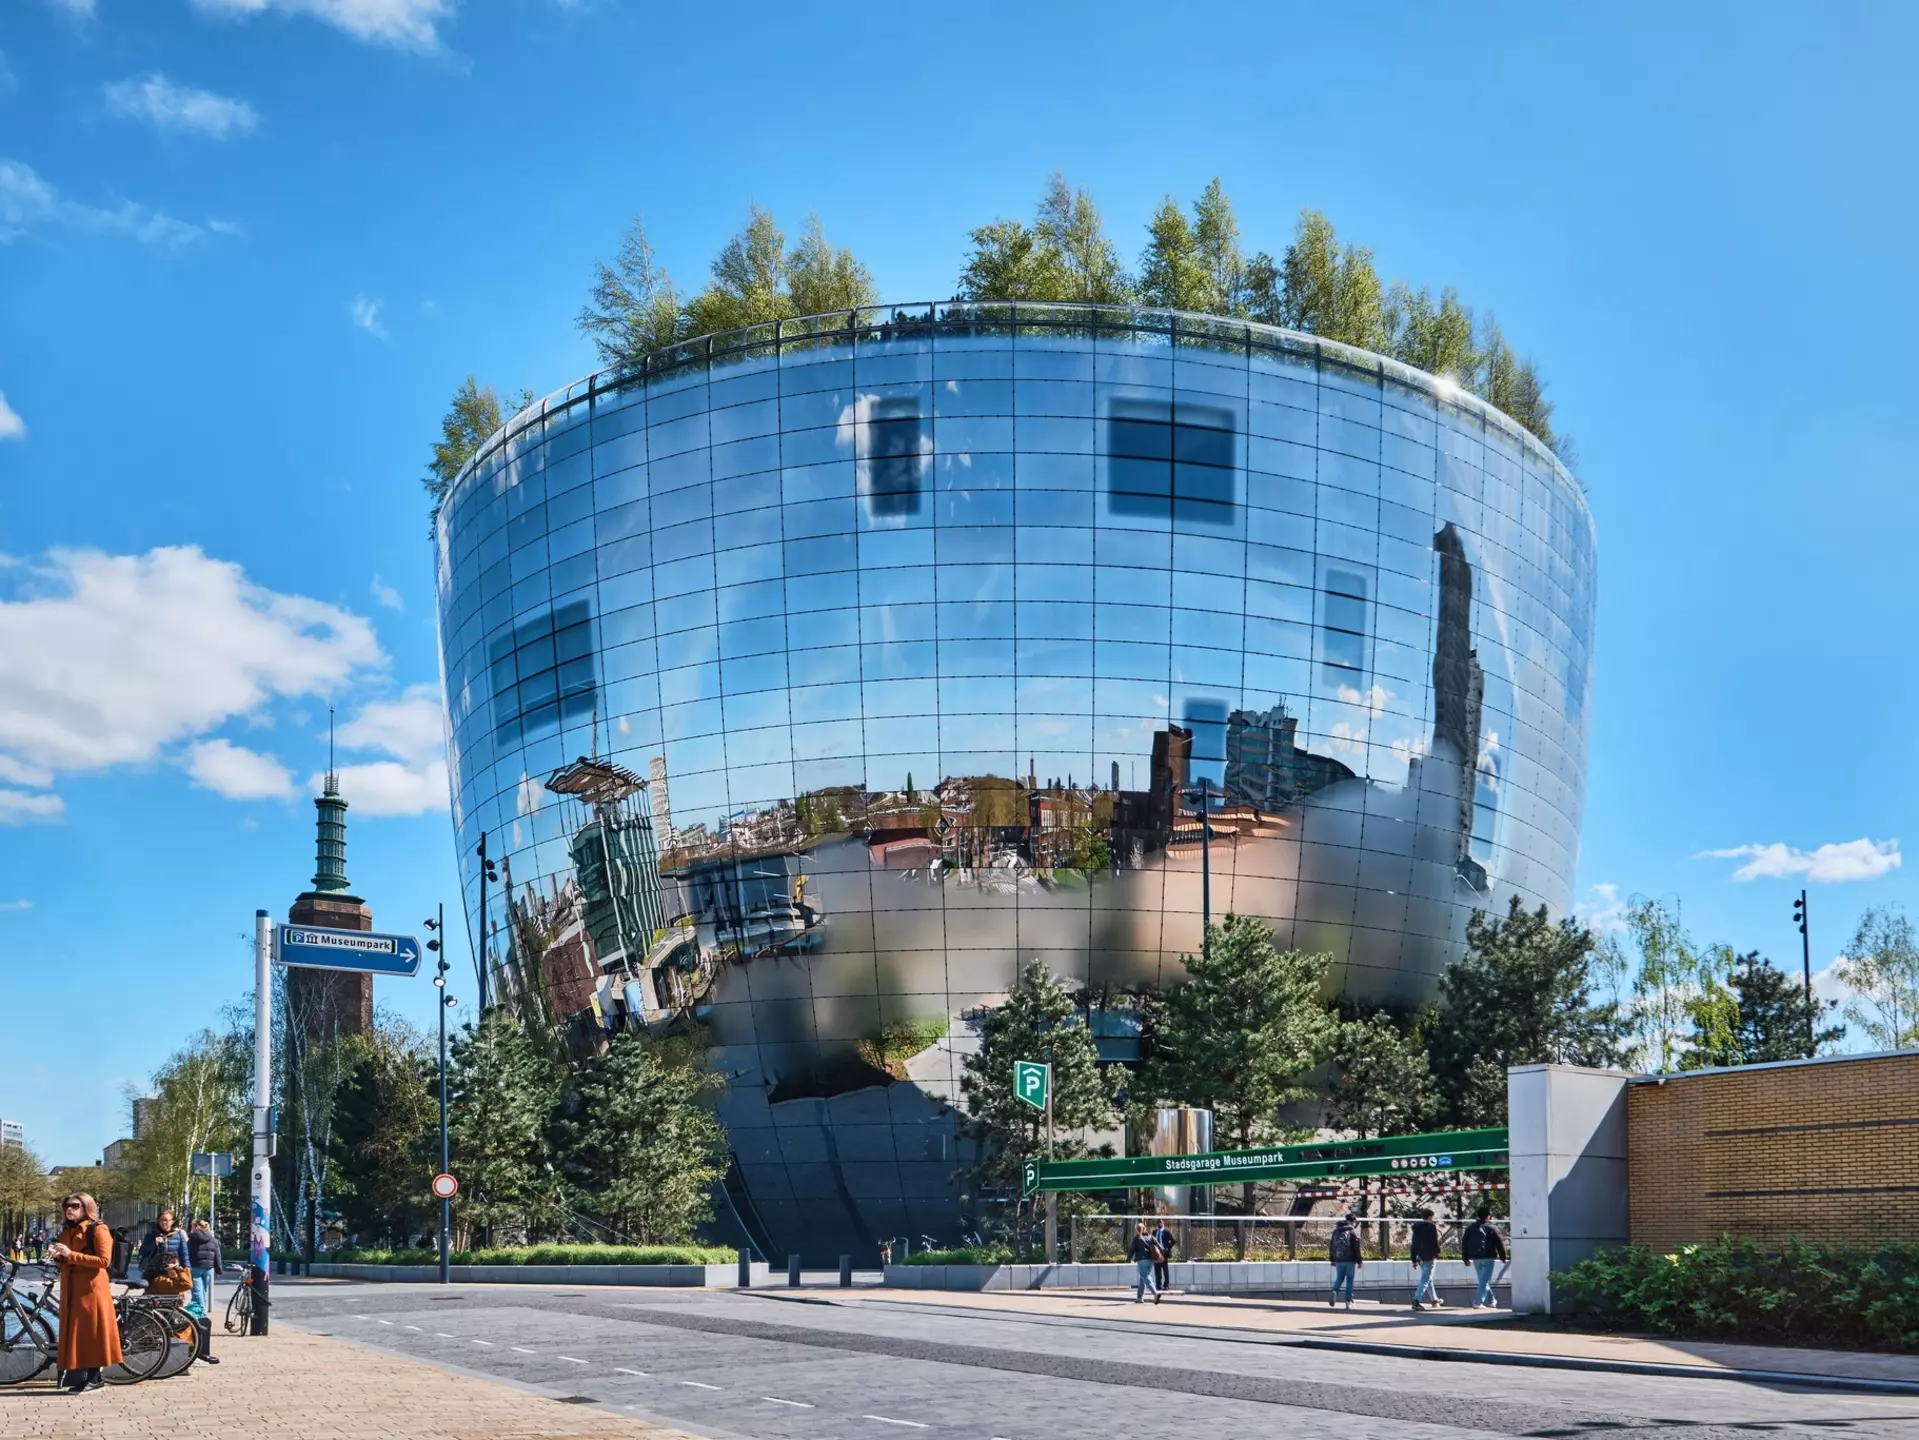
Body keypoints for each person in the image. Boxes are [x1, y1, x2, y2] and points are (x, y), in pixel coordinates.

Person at [48, 1192, 122, 1393]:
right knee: (79, 1333)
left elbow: (103, 1261)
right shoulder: (67, 1232)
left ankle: (94, 1377)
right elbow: (65, 1261)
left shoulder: (98, 1229)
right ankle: (91, 1376)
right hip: (72, 1289)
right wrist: (57, 1256)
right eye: (66, 1205)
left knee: (92, 1333)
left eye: (75, 1205)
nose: (69, 1209)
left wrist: (71, 1255)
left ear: (86, 1207)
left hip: (91, 1289)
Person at [1461, 1207, 1508, 1308]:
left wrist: (1465, 1258)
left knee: (1483, 1280)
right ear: (1488, 1216)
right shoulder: (1492, 1228)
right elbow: (1500, 1242)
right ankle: (1477, 1303)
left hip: (1476, 1258)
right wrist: (1503, 1256)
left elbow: (1464, 1243)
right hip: (1488, 1257)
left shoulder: (1471, 1228)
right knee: (1484, 1281)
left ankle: (1491, 1300)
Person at [140, 1207, 190, 1285]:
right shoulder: (151, 1235)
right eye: (161, 1220)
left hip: (173, 1270)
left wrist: (187, 1269)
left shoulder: (178, 1235)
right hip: (154, 1272)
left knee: (173, 1294)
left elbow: (184, 1254)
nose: (163, 1222)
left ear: (172, 1221)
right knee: (152, 1294)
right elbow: (143, 1251)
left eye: (166, 1220)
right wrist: (154, 1243)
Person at [1409, 1208, 1441, 1312]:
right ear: (1430, 1217)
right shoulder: (1431, 1227)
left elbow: (1414, 1244)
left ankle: (1434, 1299)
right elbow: (1434, 1242)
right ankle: (1416, 1301)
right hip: (1429, 1256)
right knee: (1425, 1279)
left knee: (1427, 1277)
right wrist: (1437, 1253)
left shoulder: (1416, 1228)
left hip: (1419, 1257)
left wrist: (1413, 1259)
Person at [1328, 1211, 1362, 1308]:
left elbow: (1331, 1246)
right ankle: (1348, 1302)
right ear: (1353, 1221)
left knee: (1339, 1278)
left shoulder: (1336, 1231)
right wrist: (1359, 1261)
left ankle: (1334, 1292)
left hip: (1339, 1259)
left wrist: (1332, 1259)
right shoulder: (1352, 1231)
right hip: (1350, 1260)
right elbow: (1356, 1248)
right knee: (1350, 1280)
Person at [1128, 1221, 1161, 1304]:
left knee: (1145, 1277)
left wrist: (1129, 1259)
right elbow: (1159, 1245)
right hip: (1151, 1261)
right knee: (1143, 1278)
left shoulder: (1136, 1239)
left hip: (1142, 1260)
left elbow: (1132, 1250)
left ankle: (1155, 1293)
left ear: (1137, 1230)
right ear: (1144, 1229)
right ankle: (1139, 1297)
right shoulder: (1150, 1237)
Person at [1152, 1218, 1176, 1297]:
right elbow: (1152, 1241)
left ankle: (1166, 1285)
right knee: (1157, 1270)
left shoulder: (1166, 1232)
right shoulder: (1154, 1232)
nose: (1159, 1224)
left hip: (1164, 1254)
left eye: (1161, 1223)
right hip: (1156, 1254)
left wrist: (1167, 1248)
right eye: (1158, 1223)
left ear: (1163, 1223)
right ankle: (1158, 1285)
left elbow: (1173, 1241)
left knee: (1165, 1270)